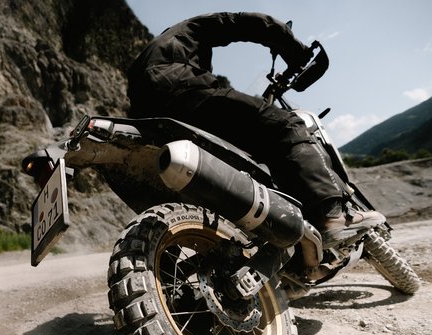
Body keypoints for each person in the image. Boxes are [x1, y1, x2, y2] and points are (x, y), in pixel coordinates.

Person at [126, 12, 384, 247]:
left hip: (149, 118)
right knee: (285, 126)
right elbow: (247, 23)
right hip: (181, 91)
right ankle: (331, 215)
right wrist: (295, 50)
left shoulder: (147, 57)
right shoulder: (189, 29)